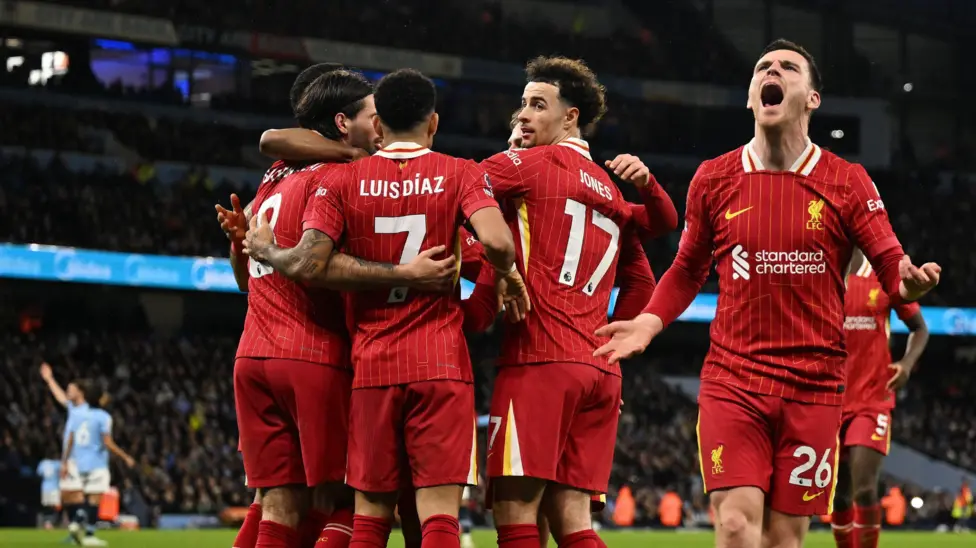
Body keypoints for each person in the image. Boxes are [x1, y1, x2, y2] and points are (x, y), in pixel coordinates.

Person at [593, 38, 941, 548]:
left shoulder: (848, 181)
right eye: (762, 68)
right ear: (751, 97)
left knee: (783, 539)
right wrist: (649, 322)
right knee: (736, 526)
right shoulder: (714, 178)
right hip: (734, 380)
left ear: (812, 98)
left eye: (788, 67)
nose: (771, 71)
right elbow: (687, 269)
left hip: (815, 388)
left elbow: (891, 264)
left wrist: (908, 280)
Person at [243, 68, 525, 548]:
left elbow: (311, 262)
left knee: (364, 517)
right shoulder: (459, 172)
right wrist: (505, 271)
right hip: (437, 361)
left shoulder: (342, 178)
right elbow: (497, 246)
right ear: (433, 123)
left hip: (370, 365)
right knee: (436, 516)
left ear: (378, 125)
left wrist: (264, 248)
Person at [478, 55, 656, 548]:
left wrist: (501, 268)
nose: (523, 114)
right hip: (599, 370)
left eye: (538, 105)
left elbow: (458, 188)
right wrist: (611, 340)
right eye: (522, 104)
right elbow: (643, 282)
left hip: (539, 360)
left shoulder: (531, 165)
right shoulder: (611, 193)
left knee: (515, 516)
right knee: (573, 522)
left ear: (570, 117)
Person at [830, 248, 928, 548]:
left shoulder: (882, 276)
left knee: (864, 490)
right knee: (839, 495)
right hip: (829, 402)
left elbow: (919, 328)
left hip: (872, 400)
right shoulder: (822, 273)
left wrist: (906, 364)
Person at [60, 380, 135, 546]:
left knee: (83, 498)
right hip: (97, 463)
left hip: (78, 463)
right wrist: (125, 457)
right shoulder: (104, 417)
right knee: (95, 500)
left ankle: (77, 523)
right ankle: (86, 531)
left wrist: (65, 461)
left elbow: (70, 439)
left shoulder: (77, 414)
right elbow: (107, 442)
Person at [37, 456, 62, 529]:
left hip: (45, 488)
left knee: (48, 506)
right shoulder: (57, 463)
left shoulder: (43, 463)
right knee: (54, 506)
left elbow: (39, 473)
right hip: (55, 487)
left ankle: (49, 522)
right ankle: (50, 522)